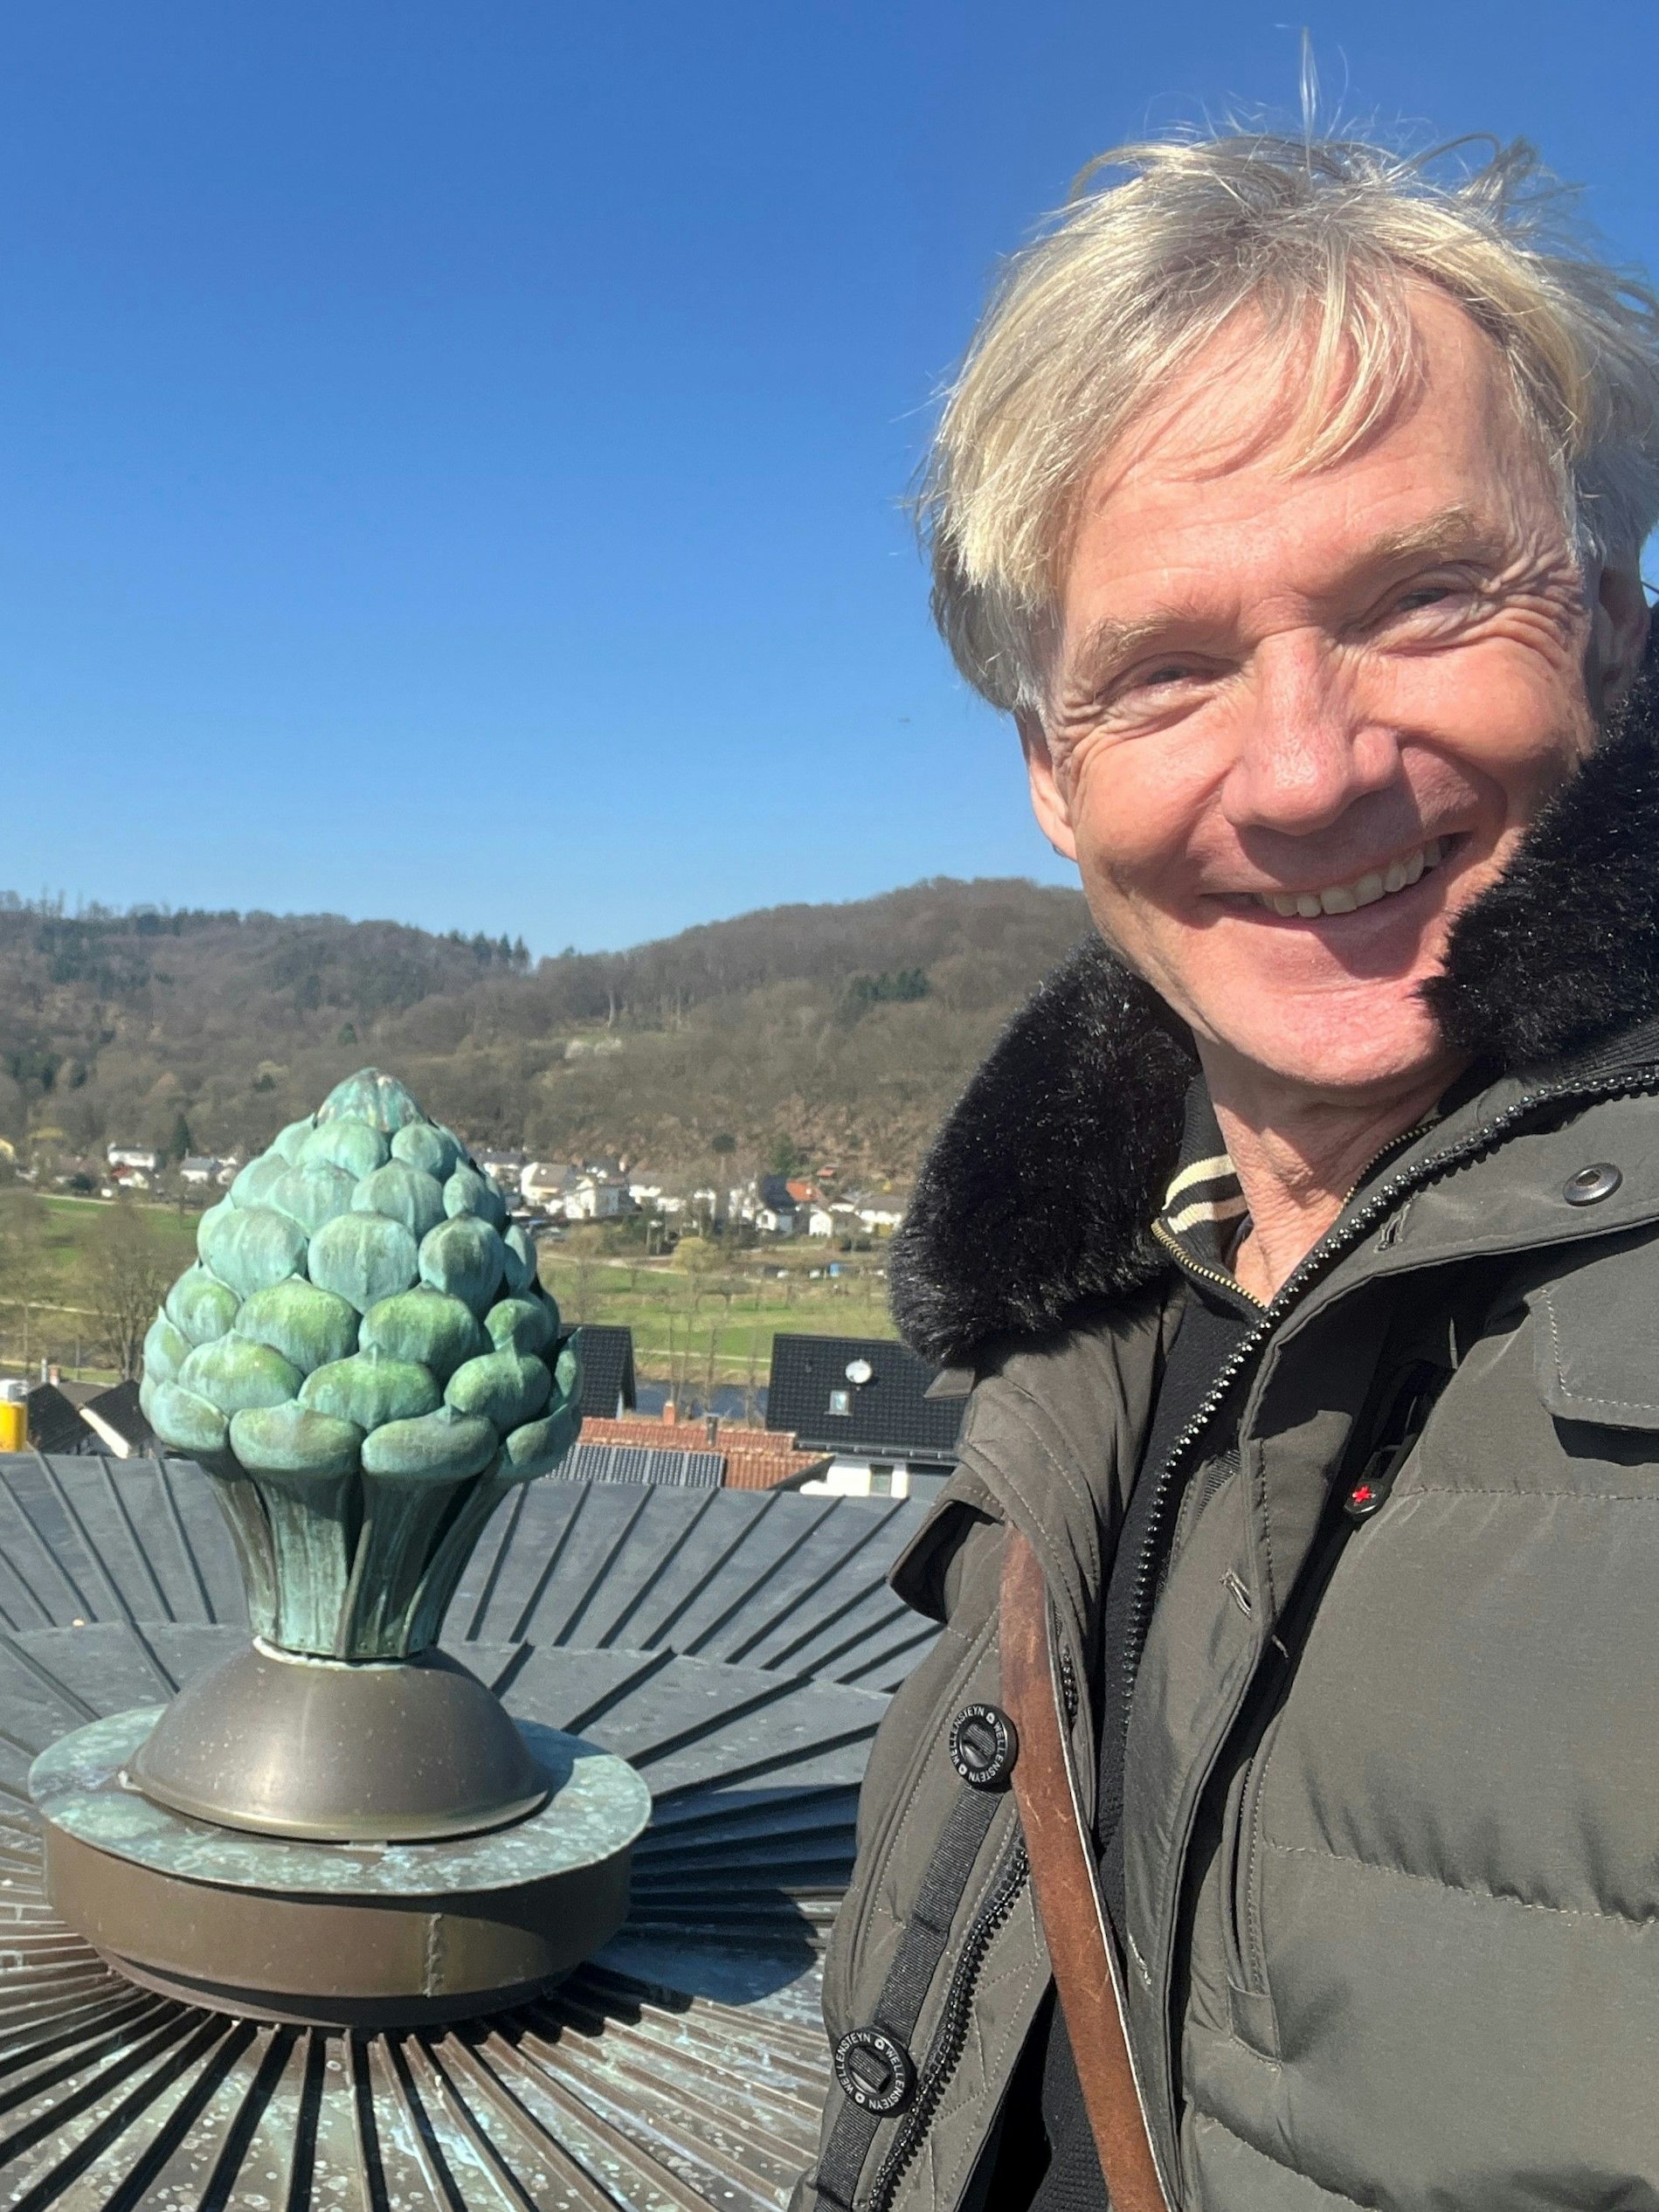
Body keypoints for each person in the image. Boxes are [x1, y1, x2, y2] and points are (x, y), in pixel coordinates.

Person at [793, 127, 1659, 2212]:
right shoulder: (1079, 1322)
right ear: (1050, 771)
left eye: (1422, 599)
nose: (1300, 770)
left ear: (1613, 630)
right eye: (1167, 668)